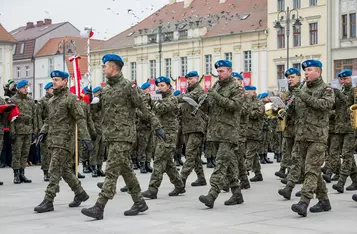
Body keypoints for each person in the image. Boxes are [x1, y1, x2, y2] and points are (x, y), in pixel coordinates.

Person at [81, 54, 165, 220]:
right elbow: (95, 112)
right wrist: (89, 101)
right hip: (110, 136)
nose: (103, 69)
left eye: (105, 66)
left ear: (113, 68)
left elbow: (144, 107)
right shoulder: (105, 90)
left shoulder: (128, 87)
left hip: (124, 136)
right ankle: (139, 202)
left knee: (111, 171)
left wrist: (157, 126)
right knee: (126, 171)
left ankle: (99, 206)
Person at [34, 70, 93, 213]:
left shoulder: (70, 99)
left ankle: (48, 200)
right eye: (53, 79)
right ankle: (80, 193)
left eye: (57, 79)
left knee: (54, 169)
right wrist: (42, 131)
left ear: (65, 81)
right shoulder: (52, 100)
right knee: (65, 170)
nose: (54, 82)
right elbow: (49, 120)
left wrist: (85, 137)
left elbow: (80, 118)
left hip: (65, 141)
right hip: (53, 140)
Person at [289, 60, 334, 217]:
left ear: (319, 72)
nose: (306, 73)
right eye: (305, 70)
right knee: (312, 170)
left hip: (317, 137)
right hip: (301, 136)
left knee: (311, 169)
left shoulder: (326, 89)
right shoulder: (301, 88)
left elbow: (325, 105)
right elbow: (297, 111)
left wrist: (303, 95)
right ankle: (324, 201)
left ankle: (304, 202)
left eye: (309, 70)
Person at [198, 60, 245, 208]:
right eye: (217, 72)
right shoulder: (217, 85)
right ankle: (237, 194)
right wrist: (203, 101)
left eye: (222, 71)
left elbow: (235, 106)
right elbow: (211, 107)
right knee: (229, 164)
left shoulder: (237, 87)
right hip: (216, 132)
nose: (219, 74)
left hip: (229, 132)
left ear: (230, 71)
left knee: (220, 163)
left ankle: (212, 195)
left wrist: (216, 96)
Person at [141, 76, 185, 199]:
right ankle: (179, 185)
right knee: (168, 163)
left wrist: (153, 100)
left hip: (169, 134)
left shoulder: (172, 99)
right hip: (159, 133)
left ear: (168, 86)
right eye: (158, 86)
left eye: (162, 86)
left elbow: (162, 108)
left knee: (159, 160)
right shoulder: (158, 97)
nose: (159, 88)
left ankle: (152, 189)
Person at [177, 71, 207, 188]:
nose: (189, 81)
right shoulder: (188, 92)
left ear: (197, 78)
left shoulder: (198, 91)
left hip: (196, 127)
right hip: (187, 127)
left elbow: (187, 98)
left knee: (190, 154)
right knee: (195, 155)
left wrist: (174, 98)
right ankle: (201, 178)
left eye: (191, 79)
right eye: (187, 79)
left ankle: (181, 181)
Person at [330, 69, 357, 193]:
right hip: (339, 127)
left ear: (351, 78)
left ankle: (341, 182)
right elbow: (334, 107)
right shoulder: (340, 91)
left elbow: (349, 103)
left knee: (347, 155)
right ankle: (355, 180)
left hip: (350, 128)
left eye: (345, 79)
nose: (343, 81)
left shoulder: (354, 90)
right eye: (341, 79)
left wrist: (338, 94)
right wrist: (332, 96)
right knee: (343, 154)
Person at [9, 80, 37, 184]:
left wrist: (35, 130)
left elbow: (34, 116)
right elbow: (11, 117)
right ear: (18, 88)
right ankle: (16, 174)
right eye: (24, 87)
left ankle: (22, 173)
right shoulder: (13, 100)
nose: (26, 89)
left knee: (25, 153)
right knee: (17, 153)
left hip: (28, 130)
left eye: (27, 87)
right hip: (18, 130)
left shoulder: (30, 100)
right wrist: (12, 131)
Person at [245, 86, 265, 182]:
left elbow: (256, 114)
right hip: (245, 132)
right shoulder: (244, 102)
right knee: (253, 155)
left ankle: (242, 174)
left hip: (254, 132)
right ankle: (258, 173)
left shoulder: (258, 102)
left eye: (247, 92)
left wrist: (246, 110)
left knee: (249, 154)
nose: (245, 94)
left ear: (253, 92)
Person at [37, 81, 54, 181]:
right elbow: (38, 116)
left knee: (53, 152)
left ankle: (52, 171)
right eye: (51, 88)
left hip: (54, 129)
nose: (53, 89)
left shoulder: (55, 99)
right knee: (45, 152)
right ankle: (45, 172)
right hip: (45, 128)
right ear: (47, 90)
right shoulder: (42, 101)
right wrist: (40, 130)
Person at [89, 86, 106, 177]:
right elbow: (90, 118)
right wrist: (92, 130)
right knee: (94, 150)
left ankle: (99, 167)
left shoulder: (103, 103)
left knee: (101, 150)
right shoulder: (94, 102)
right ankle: (94, 168)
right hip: (96, 129)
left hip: (103, 129)